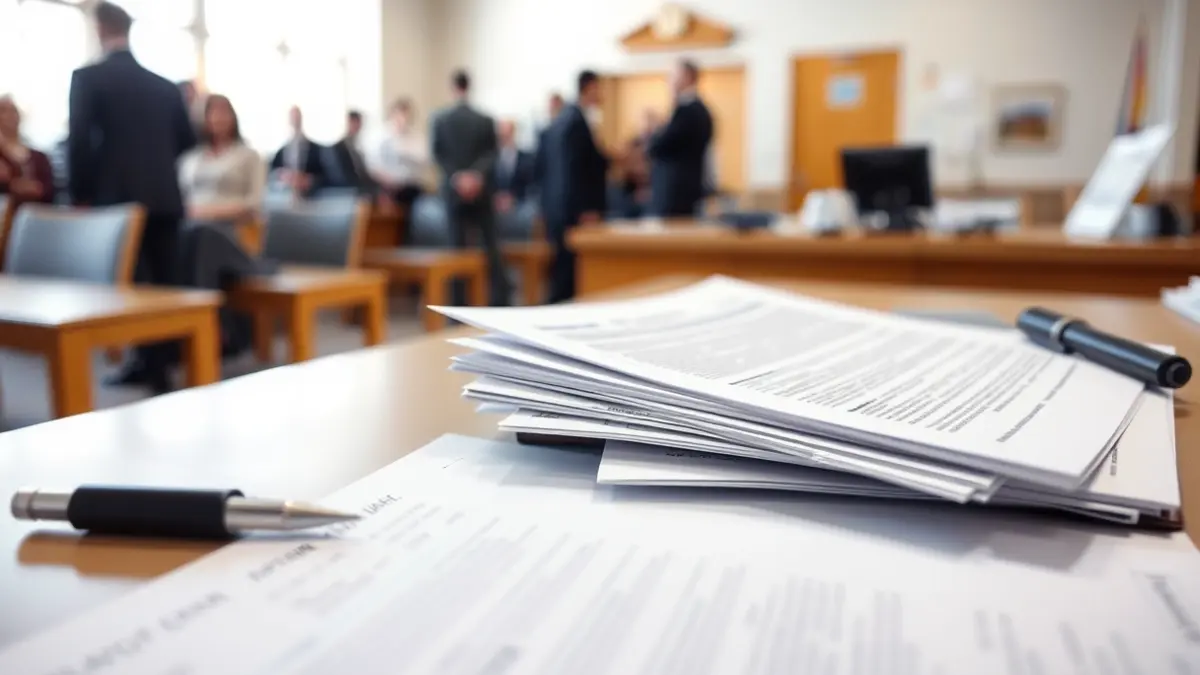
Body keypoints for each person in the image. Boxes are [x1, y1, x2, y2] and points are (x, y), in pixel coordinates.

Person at [68, 1, 197, 393]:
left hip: (117, 200)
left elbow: (79, 142)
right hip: (165, 196)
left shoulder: (88, 78)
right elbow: (186, 141)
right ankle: (163, 363)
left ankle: (149, 364)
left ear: (100, 28)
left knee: (132, 285)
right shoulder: (164, 86)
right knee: (167, 282)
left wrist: (81, 194)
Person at [430, 70, 510, 306]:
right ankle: (499, 301)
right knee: (491, 245)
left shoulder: (440, 119)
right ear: (469, 86)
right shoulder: (485, 120)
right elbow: (492, 154)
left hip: (454, 192)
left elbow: (438, 154)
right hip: (481, 190)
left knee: (456, 248)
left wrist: (457, 177)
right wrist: (475, 176)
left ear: (452, 88)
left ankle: (457, 303)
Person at [541, 70, 608, 303]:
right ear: (590, 87)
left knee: (563, 274)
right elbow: (575, 171)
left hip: (559, 208)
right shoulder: (575, 121)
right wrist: (585, 208)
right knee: (567, 279)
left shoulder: (564, 118)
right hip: (572, 211)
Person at [178, 95, 266, 224]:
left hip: (232, 228)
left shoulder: (249, 156)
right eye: (212, 112)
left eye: (223, 111)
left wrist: (208, 212)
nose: (217, 117)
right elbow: (180, 197)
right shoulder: (189, 159)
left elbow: (254, 203)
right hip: (190, 227)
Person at [646, 59, 714, 218]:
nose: (669, 81)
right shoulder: (698, 110)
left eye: (673, 75)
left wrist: (655, 131)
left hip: (675, 193)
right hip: (682, 191)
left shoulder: (688, 111)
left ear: (687, 77)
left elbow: (660, 146)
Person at [373, 98, 428, 225]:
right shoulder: (381, 137)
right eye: (399, 114)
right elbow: (374, 165)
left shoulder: (416, 138)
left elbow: (423, 161)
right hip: (387, 187)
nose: (402, 118)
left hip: (411, 186)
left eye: (405, 114)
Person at [0, 95, 55, 207]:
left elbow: (50, 190)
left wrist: (37, 189)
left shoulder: (39, 157)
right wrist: (10, 185)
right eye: (3, 111)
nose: (10, 115)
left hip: (37, 213)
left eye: (14, 110)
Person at [270, 105, 328, 197]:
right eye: (293, 118)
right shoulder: (281, 152)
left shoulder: (316, 150)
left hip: (311, 197)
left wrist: (308, 180)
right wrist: (285, 177)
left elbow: (324, 176)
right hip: (286, 197)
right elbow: (272, 174)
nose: (295, 121)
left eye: (297, 118)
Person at [330, 110, 379, 198]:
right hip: (350, 190)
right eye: (356, 122)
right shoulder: (339, 147)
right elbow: (342, 175)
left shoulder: (357, 145)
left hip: (362, 186)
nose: (359, 126)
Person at [493, 119, 534, 215]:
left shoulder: (527, 158)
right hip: (495, 207)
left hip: (520, 205)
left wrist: (513, 198)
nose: (504, 137)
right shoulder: (491, 158)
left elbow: (531, 185)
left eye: (507, 133)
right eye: (501, 134)